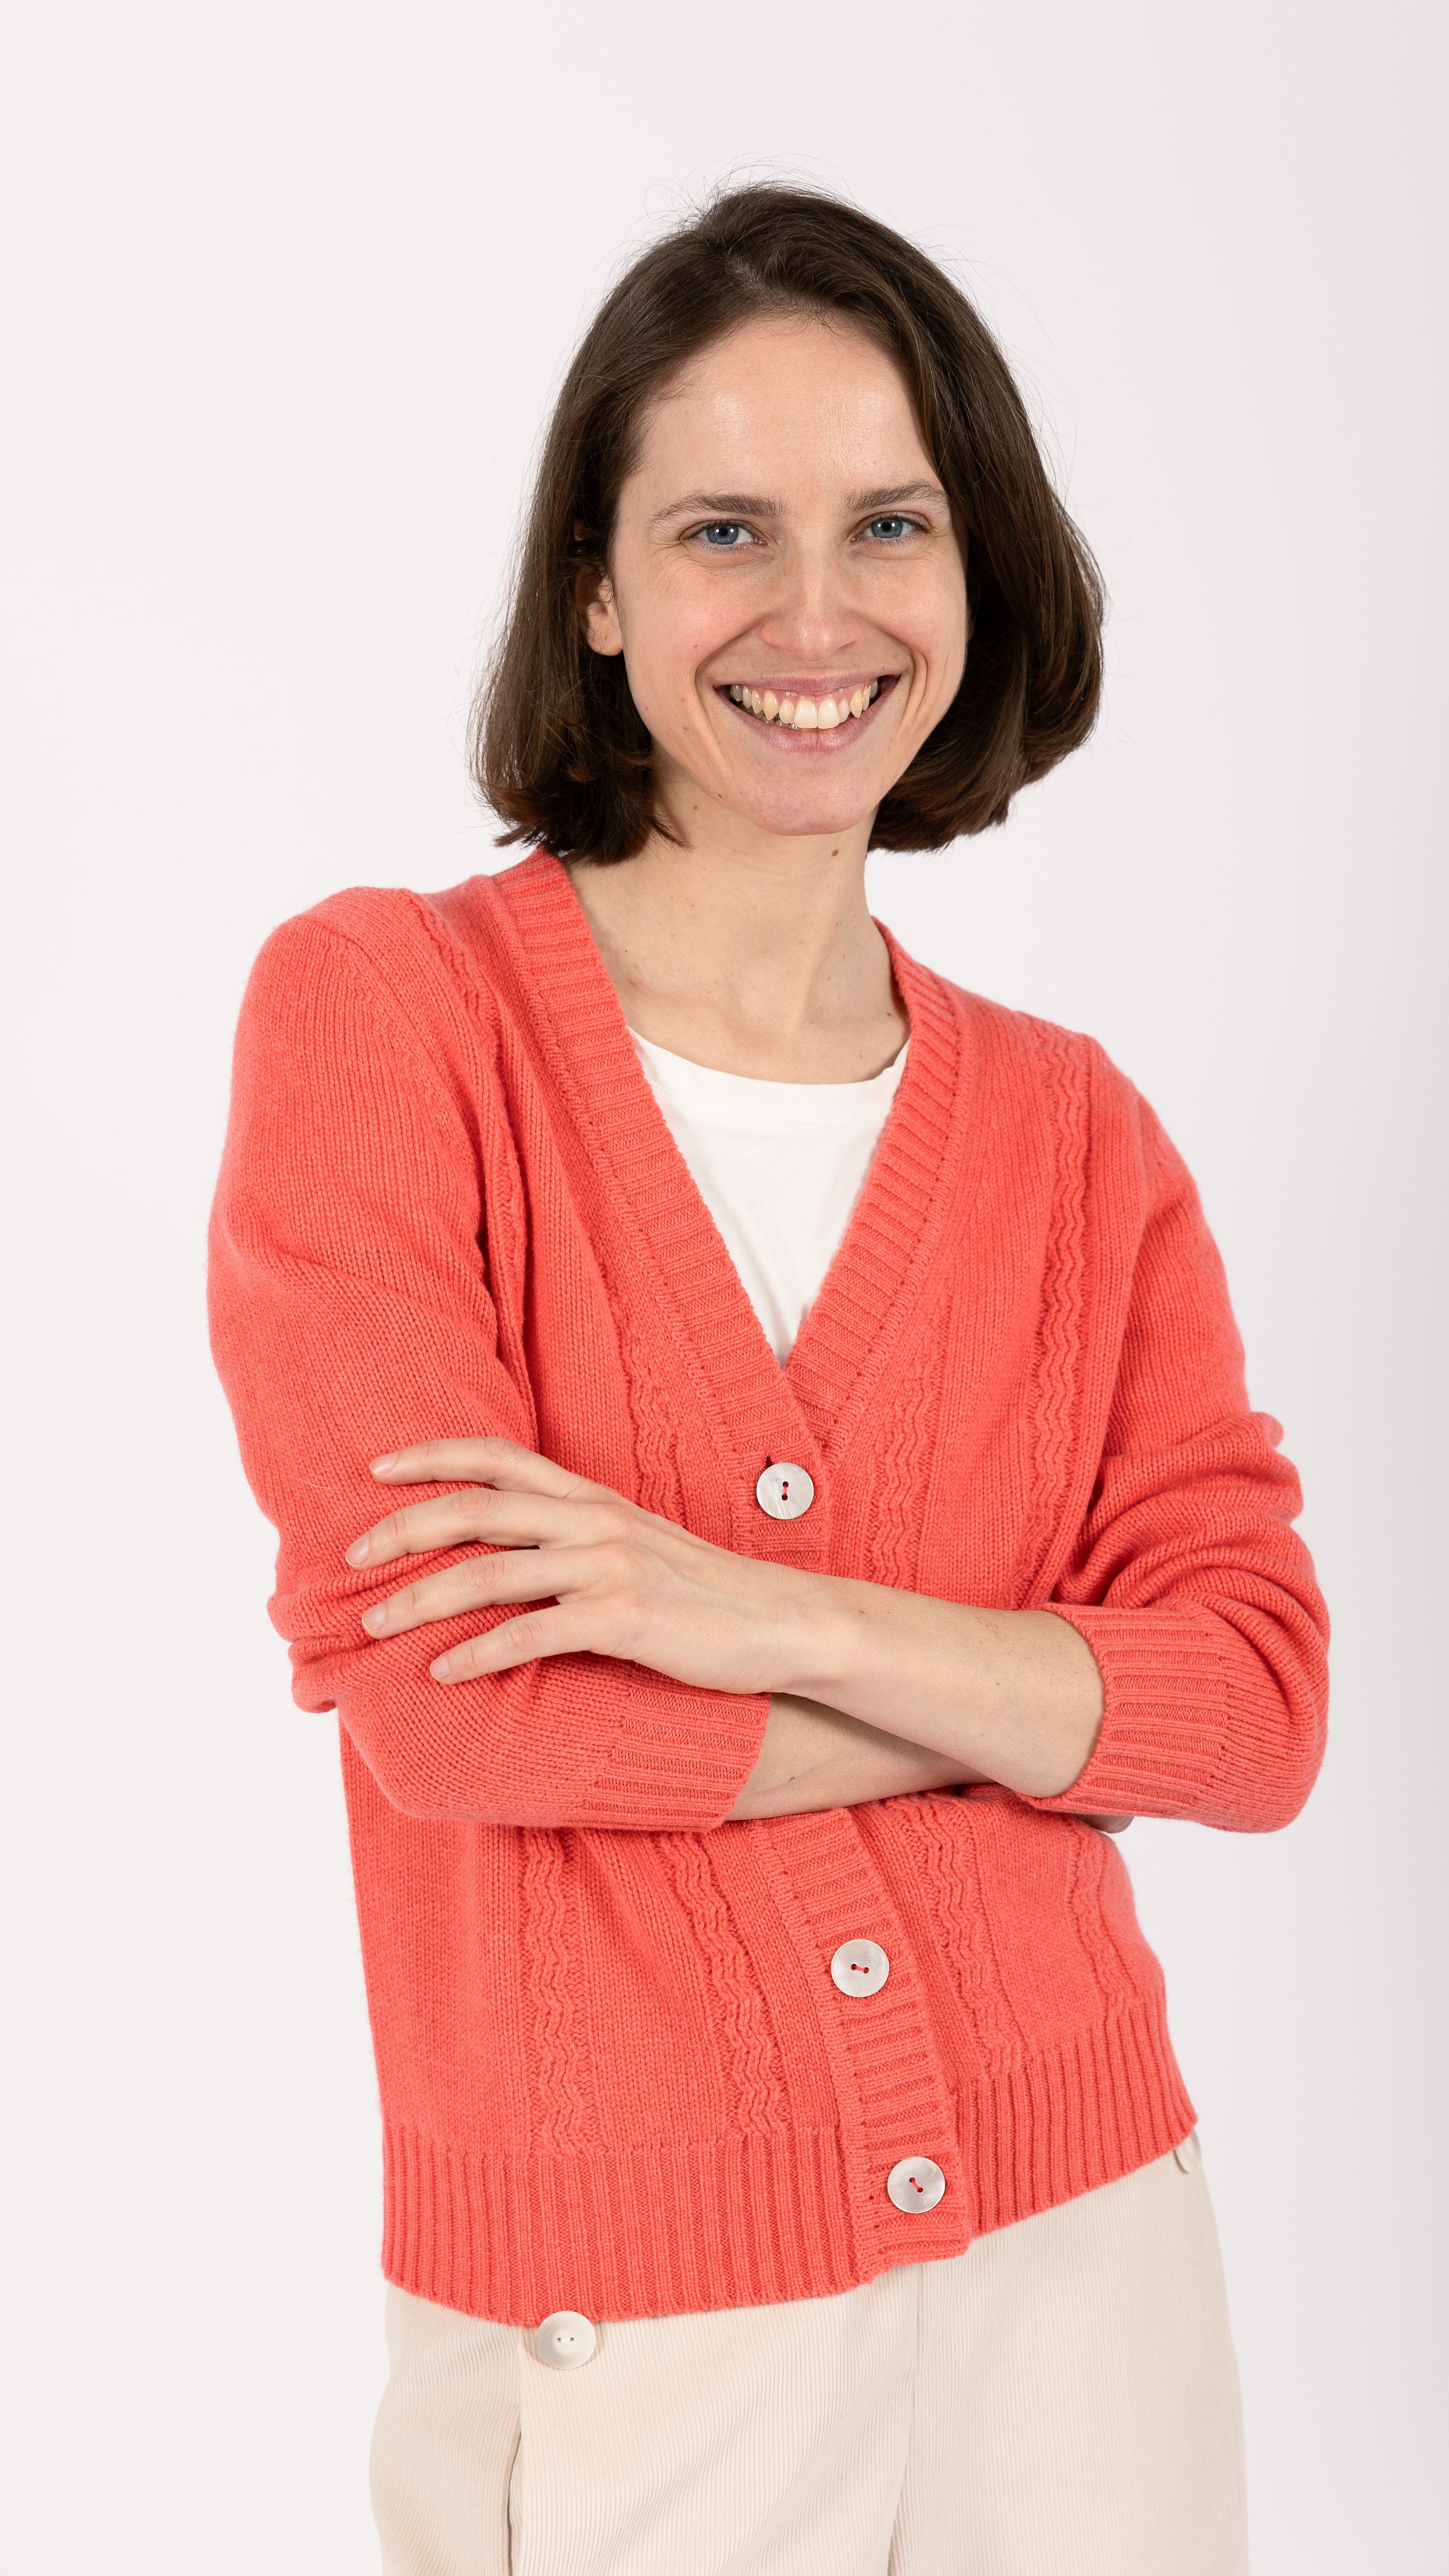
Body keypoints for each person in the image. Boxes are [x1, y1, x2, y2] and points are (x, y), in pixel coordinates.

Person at [208, 184, 1328, 2574]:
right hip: (629, 2315)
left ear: (974, 576)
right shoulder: (389, 1020)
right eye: (723, 529)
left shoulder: (1071, 1133)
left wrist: (764, 1614)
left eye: (887, 526)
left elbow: (1248, 1714)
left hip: (1084, 2251)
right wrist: (1035, 1700)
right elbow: (464, 1716)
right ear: (597, 596)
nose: (814, 617)